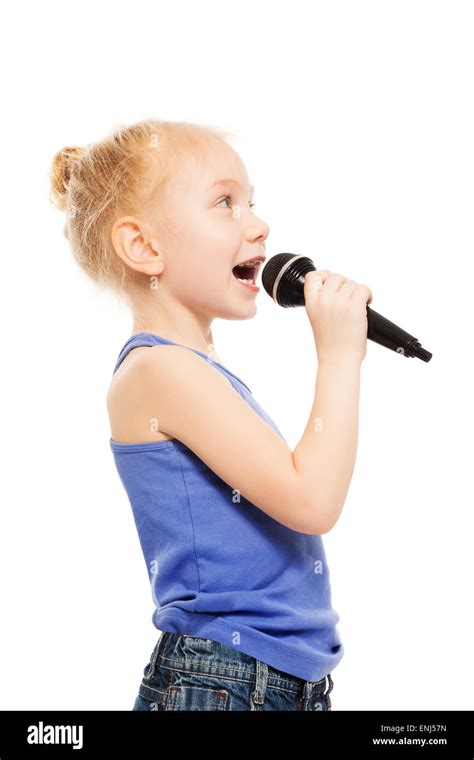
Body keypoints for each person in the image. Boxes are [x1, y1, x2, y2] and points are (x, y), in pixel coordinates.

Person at [49, 118, 372, 711]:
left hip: (267, 678)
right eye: (225, 202)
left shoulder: (193, 373)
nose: (258, 224)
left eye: (252, 202)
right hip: (224, 679)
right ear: (144, 247)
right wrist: (339, 355)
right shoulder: (161, 373)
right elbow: (312, 502)